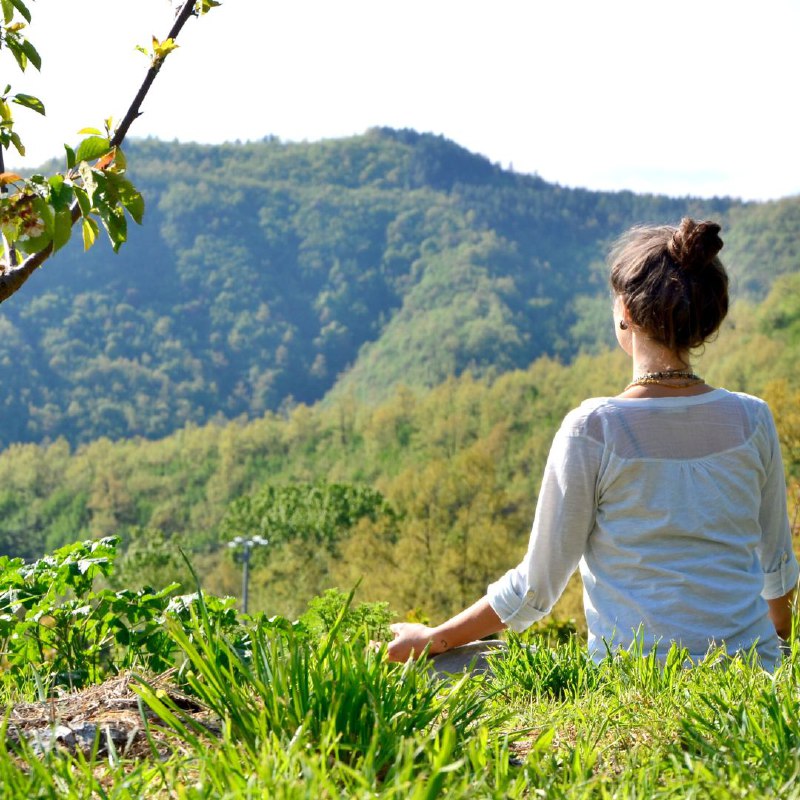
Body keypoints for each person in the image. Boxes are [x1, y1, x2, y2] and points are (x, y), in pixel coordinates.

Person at [386, 218, 798, 672]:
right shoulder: (752, 418)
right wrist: (773, 652)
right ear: (707, 319)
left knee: (444, 668)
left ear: (625, 311)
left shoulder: (594, 429)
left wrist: (435, 639)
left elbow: (534, 591)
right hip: (753, 667)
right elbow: (777, 576)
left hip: (635, 678)